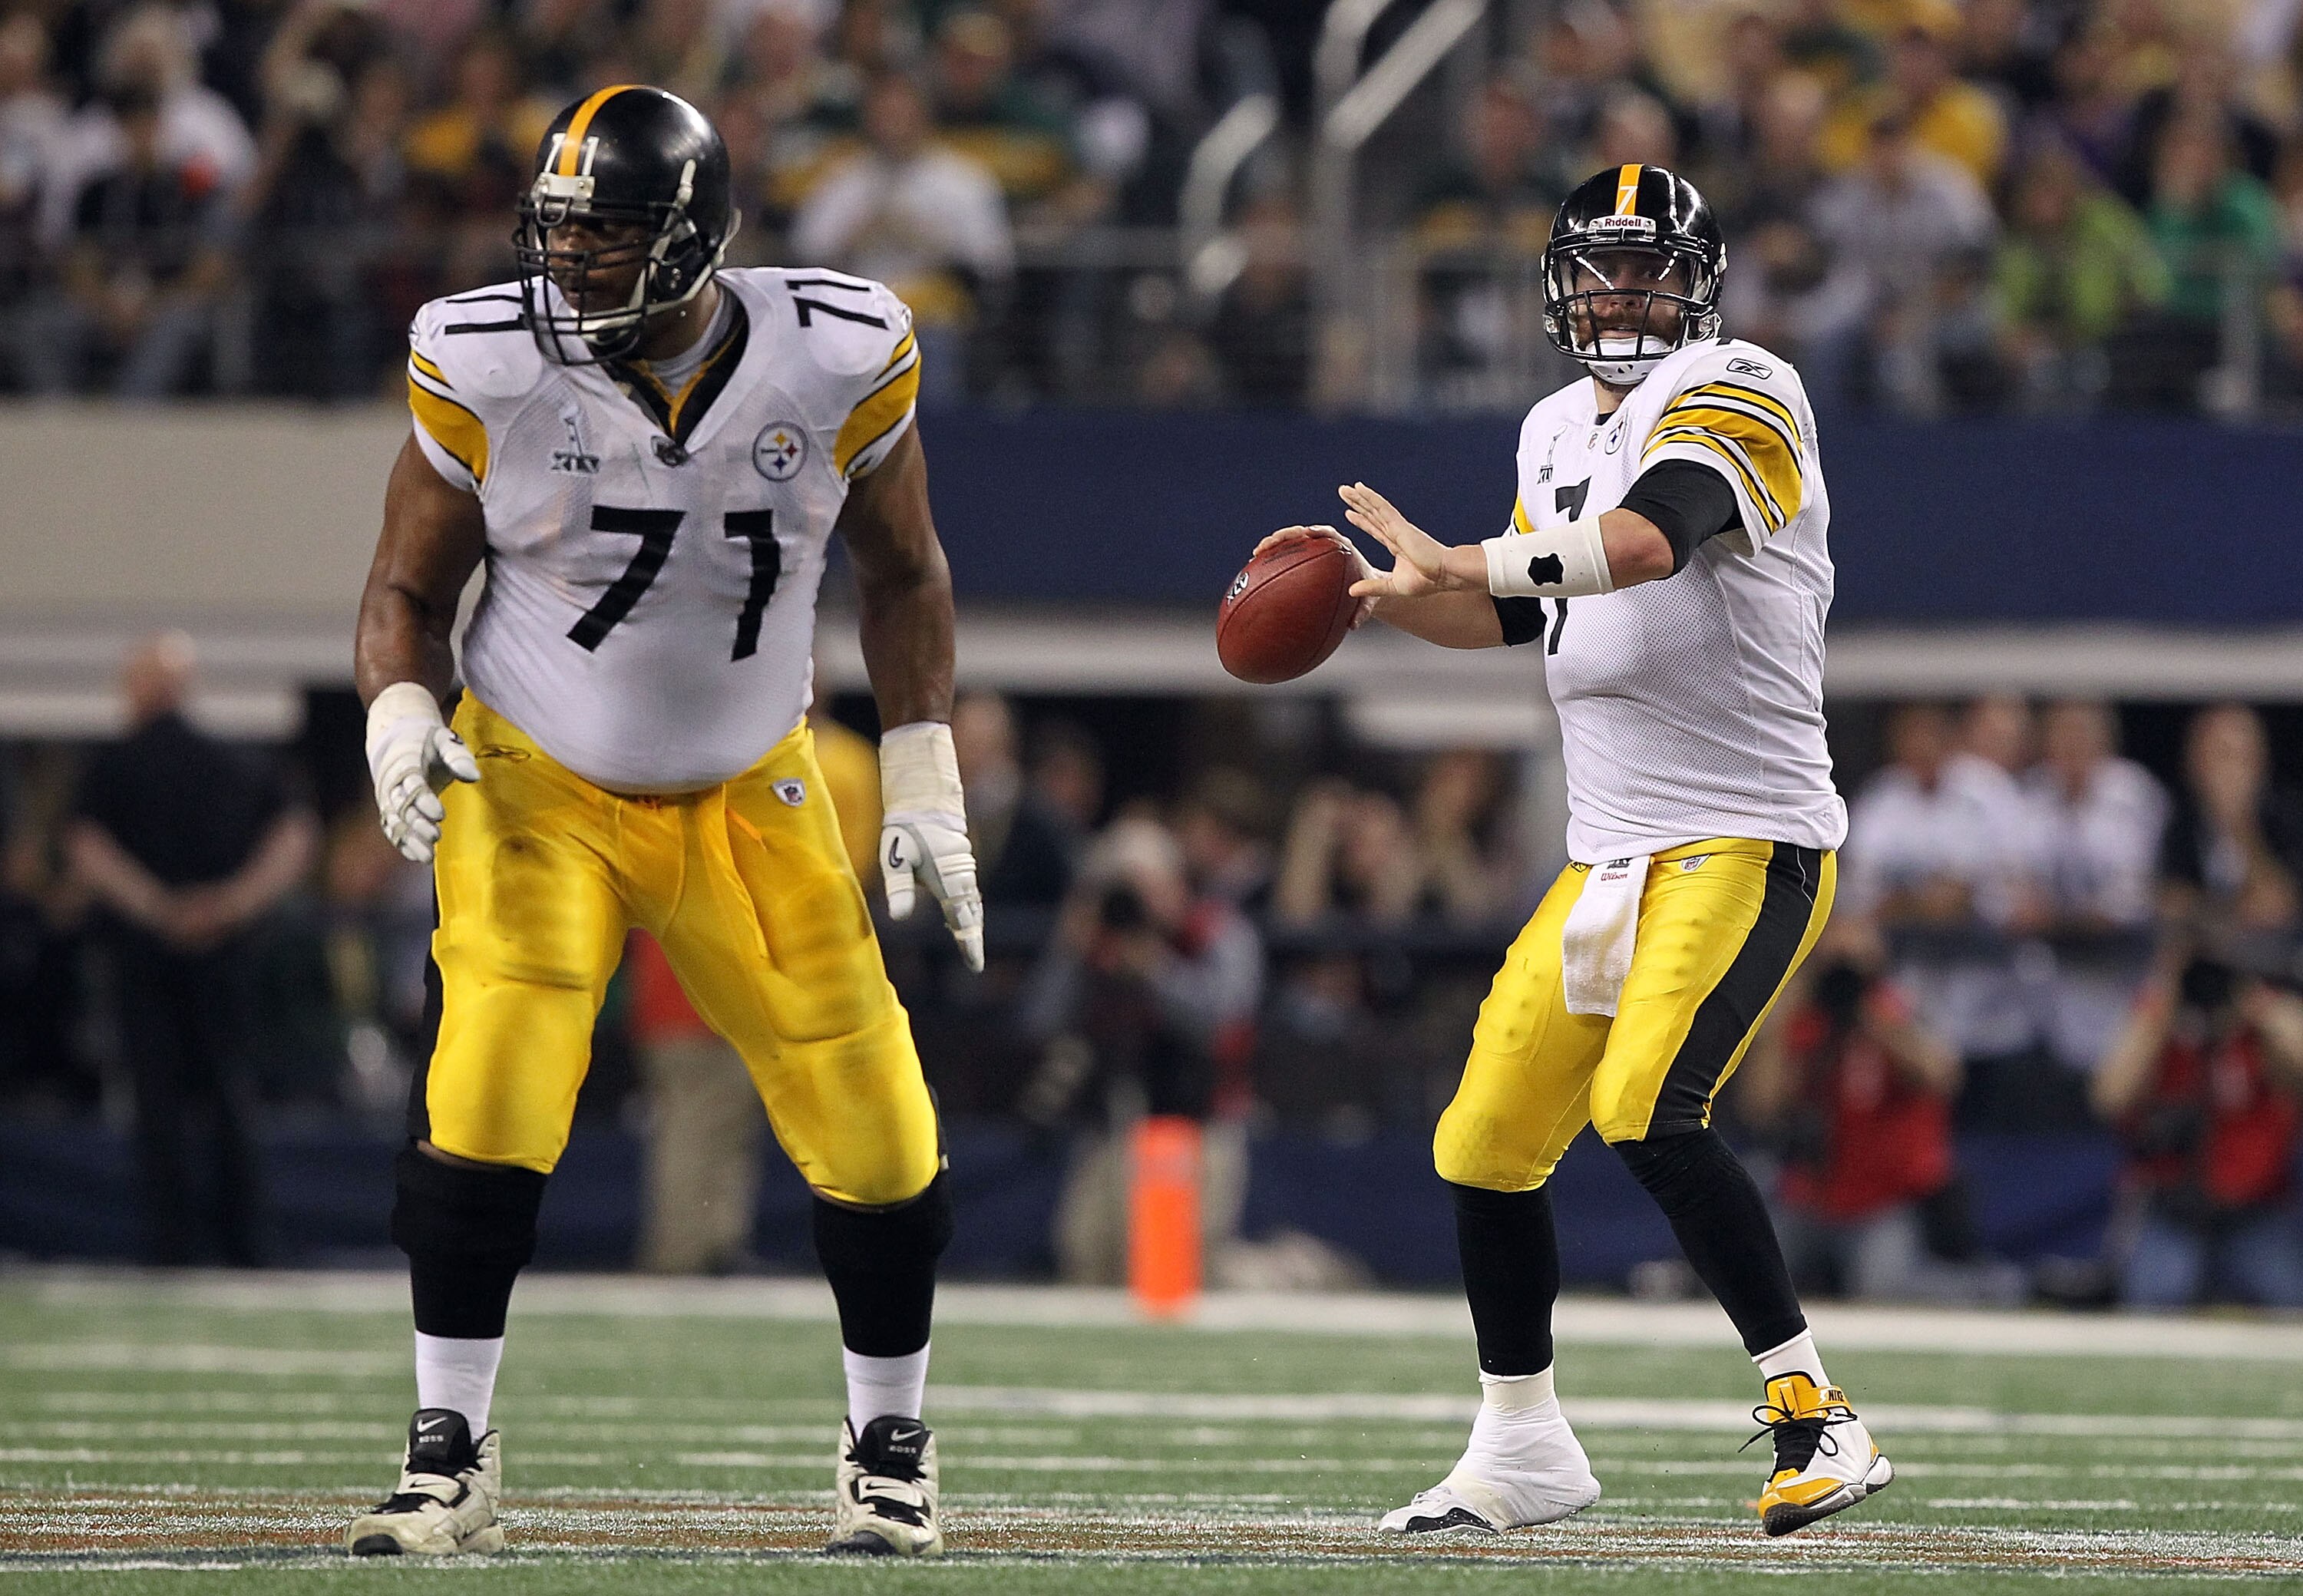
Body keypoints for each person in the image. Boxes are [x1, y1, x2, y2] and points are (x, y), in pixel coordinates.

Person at [347, 85, 982, 1560]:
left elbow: (906, 573)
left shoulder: (838, 354)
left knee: (881, 1128)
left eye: (610, 239)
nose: (569, 270)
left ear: (694, 243)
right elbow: (404, 589)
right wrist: (394, 703)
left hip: (751, 780)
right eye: (559, 236)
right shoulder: (484, 360)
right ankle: (449, 1446)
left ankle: (889, 1442)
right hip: (538, 774)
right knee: (491, 1082)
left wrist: (927, 762)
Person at [1258, 164, 1888, 1538]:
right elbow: (1525, 618)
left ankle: (1814, 1414)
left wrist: (1464, 557)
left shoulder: (1749, 384)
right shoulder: (1552, 424)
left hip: (1744, 832)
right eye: (1599, 269)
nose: (1620, 293)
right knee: (1482, 1141)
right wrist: (1391, 596)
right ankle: (1522, 1442)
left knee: (1649, 1104)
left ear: (1698, 282)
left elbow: (1651, 542)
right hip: (1607, 851)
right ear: (1558, 284)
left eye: (1646, 268)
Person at [66, 632, 318, 1264]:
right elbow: (295, 837)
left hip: (145, 959)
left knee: (157, 1102)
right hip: (226, 956)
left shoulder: (114, 766)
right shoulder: (238, 761)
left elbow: (87, 850)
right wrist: (231, 905)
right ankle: (247, 1243)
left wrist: (158, 908)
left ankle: (170, 1244)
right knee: (233, 1097)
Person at [2092, 951, 2303, 1309]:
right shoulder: (2162, 1029)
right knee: (2152, 1303)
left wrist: (2262, 1006)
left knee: (2291, 1301)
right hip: (2174, 1210)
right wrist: (2162, 1004)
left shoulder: (2260, 1035)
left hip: (2256, 1212)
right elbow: (2109, 1096)